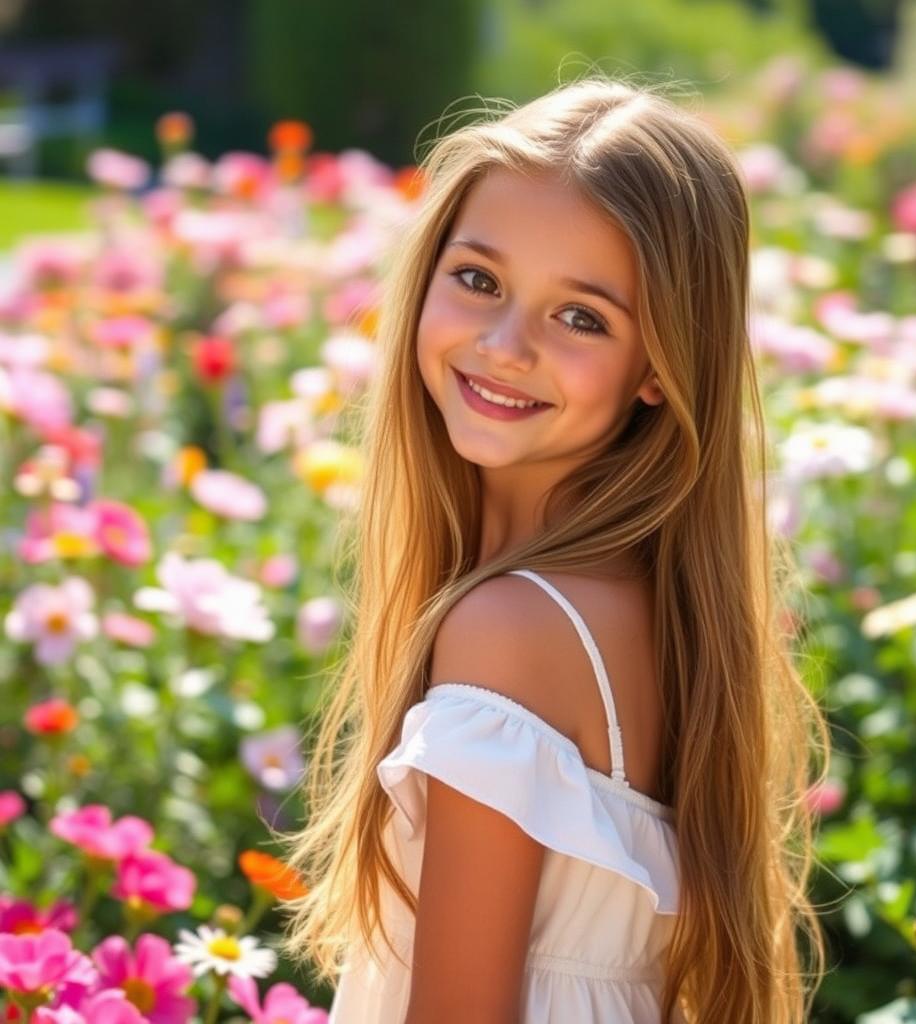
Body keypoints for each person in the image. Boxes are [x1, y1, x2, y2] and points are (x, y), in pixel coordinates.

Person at [280, 73, 831, 1023]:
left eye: (581, 317)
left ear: (662, 366)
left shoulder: (513, 630)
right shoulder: (650, 607)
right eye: (479, 279)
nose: (503, 343)